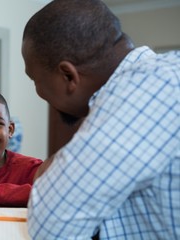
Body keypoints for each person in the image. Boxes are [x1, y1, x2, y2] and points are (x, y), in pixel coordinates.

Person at [22, 0, 180, 239]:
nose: (38, 92)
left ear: (68, 75)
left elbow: (51, 226)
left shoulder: (150, 87)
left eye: (34, 79)